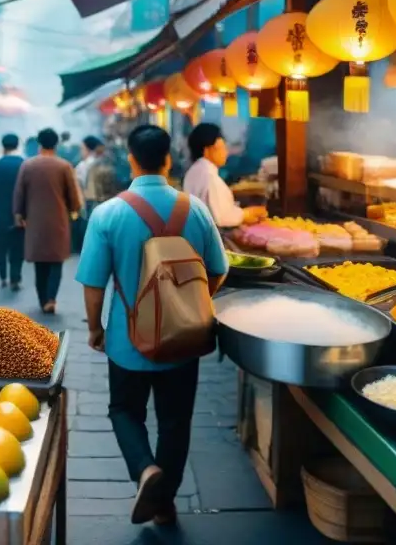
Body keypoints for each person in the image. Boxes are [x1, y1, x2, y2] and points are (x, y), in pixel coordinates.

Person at [77, 125, 228, 527]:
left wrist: (96, 329)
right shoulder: (195, 209)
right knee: (176, 421)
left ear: (130, 159)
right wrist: (191, 304)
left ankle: (145, 469)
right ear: (168, 160)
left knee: (124, 410)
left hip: (128, 342)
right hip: (186, 339)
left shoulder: (107, 214)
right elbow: (219, 270)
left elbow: (93, 284)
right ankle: (165, 505)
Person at [14, 128, 81, 313]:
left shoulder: (27, 166)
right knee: (56, 260)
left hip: (35, 220)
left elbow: (19, 194)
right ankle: (51, 298)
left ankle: (43, 298)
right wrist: (74, 209)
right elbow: (74, 196)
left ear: (39, 143)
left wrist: (19, 215)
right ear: (56, 144)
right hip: (58, 219)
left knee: (40, 262)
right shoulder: (64, 166)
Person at [183, 123, 246, 228]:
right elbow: (222, 218)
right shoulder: (209, 177)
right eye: (221, 147)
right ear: (207, 150)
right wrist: (246, 214)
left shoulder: (194, 172)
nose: (226, 152)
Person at [0, 134, 25, 290]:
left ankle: (3, 276)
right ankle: (15, 277)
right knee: (17, 246)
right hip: (20, 213)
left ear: (3, 146)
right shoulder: (24, 165)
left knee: (0, 246)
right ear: (18, 145)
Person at [76, 136, 106, 219]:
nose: (81, 152)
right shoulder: (104, 162)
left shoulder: (83, 165)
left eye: (82, 148)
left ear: (88, 149)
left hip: (88, 202)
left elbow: (78, 185)